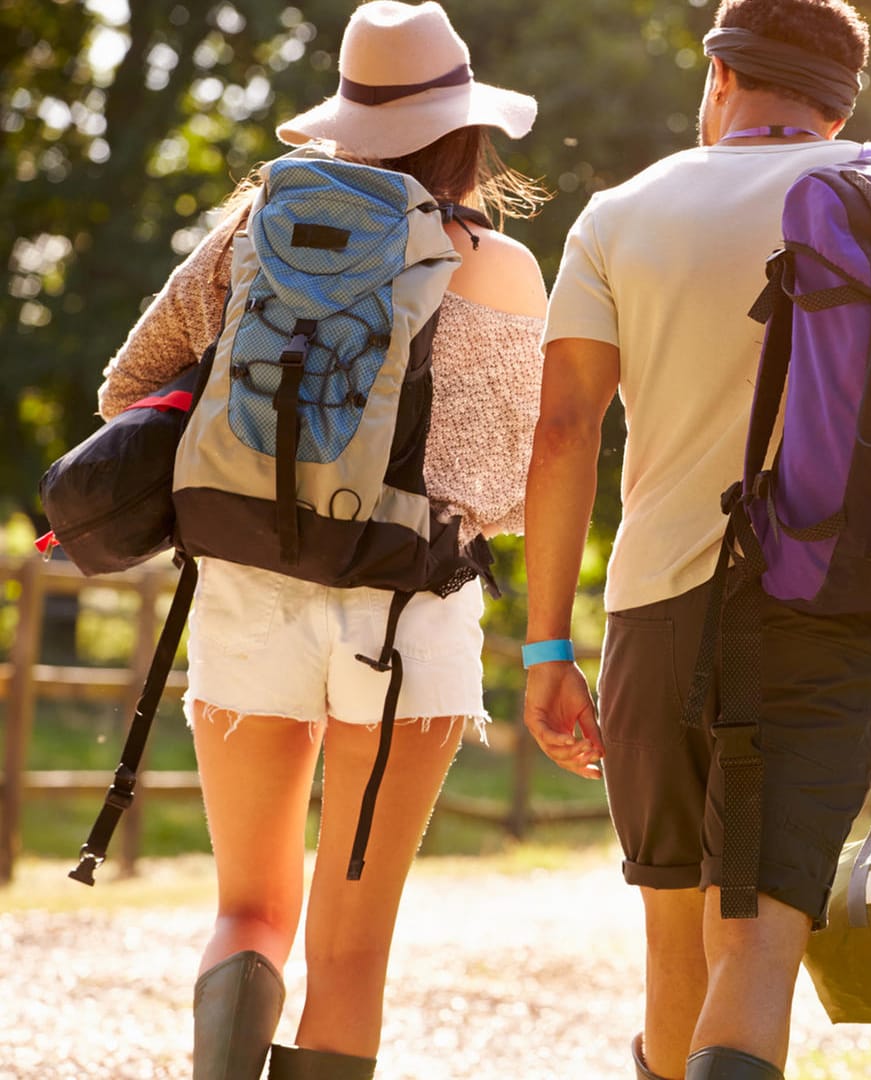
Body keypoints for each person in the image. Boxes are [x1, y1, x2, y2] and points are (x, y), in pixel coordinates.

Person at [519, 4, 871, 1079]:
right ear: (841, 102)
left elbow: (562, 432)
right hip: (824, 608)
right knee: (760, 936)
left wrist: (546, 647)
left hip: (656, 609)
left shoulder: (620, 213)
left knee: (672, 932)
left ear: (722, 77)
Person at [95, 4, 547, 1077]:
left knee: (249, 912)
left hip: (248, 592)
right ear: (466, 129)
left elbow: (126, 394)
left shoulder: (250, 234)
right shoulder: (501, 267)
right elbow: (499, 491)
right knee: (352, 955)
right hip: (409, 619)